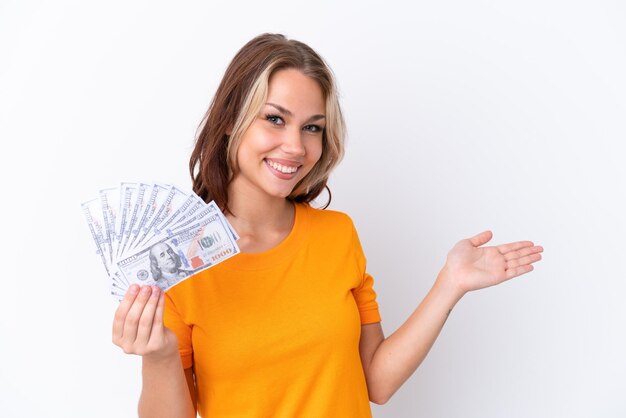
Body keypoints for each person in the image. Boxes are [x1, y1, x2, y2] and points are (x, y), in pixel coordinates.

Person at [111, 33, 544, 418]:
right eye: (275, 119)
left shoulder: (337, 235)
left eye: (312, 127)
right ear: (230, 123)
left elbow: (378, 381)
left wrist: (450, 283)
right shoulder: (179, 264)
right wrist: (161, 357)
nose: (296, 146)